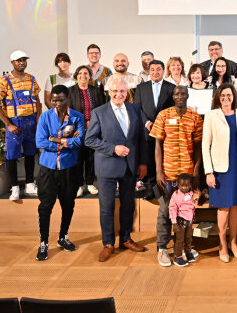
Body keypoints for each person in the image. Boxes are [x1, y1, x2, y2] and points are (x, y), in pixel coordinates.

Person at [85, 78, 148, 262]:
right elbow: (90, 140)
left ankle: (126, 239)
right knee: (107, 207)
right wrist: (113, 149)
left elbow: (140, 139)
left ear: (127, 92)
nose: (118, 94)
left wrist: (142, 162)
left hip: (130, 166)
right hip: (107, 167)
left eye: (122, 91)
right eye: (115, 91)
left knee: (128, 205)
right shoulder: (99, 112)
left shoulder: (134, 109)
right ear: (108, 92)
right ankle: (108, 243)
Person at [151, 84, 203, 267]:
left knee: (186, 212)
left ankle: (182, 249)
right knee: (166, 211)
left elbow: (198, 147)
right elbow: (157, 145)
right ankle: (162, 248)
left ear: (188, 95)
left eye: (183, 93)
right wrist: (158, 171)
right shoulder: (163, 116)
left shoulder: (195, 118)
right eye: (177, 94)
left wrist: (196, 174)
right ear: (173, 96)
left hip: (187, 175)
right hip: (168, 174)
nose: (180, 96)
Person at [34, 85, 85, 261]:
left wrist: (54, 138)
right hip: (48, 169)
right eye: (54, 100)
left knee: (68, 204)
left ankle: (63, 237)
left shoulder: (77, 117)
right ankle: (44, 243)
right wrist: (65, 141)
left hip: (69, 168)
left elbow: (79, 141)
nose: (57, 103)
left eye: (60, 100)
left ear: (68, 98)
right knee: (45, 207)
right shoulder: (45, 117)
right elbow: (40, 142)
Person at [202, 83, 237, 263]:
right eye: (222, 95)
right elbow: (205, 145)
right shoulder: (211, 116)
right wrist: (208, 172)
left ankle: (234, 243)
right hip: (220, 169)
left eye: (229, 95)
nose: (226, 98)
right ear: (218, 97)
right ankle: (222, 244)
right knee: (223, 207)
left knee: (235, 206)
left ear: (234, 97)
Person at [0, 50, 42, 201]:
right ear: (12, 63)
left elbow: (38, 102)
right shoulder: (4, 80)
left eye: (24, 60)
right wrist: (8, 124)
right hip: (14, 123)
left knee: (30, 154)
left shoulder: (31, 79)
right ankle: (14, 187)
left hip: (31, 121)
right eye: (18, 60)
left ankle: (29, 185)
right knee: (12, 156)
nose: (22, 62)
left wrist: (38, 121)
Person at [134, 60, 175, 195]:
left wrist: (164, 124)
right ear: (148, 71)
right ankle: (152, 189)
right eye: (152, 69)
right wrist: (147, 123)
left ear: (163, 71)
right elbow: (137, 108)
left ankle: (166, 188)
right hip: (147, 129)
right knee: (149, 158)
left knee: (164, 158)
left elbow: (174, 109)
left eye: (158, 69)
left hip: (166, 130)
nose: (155, 72)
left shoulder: (171, 87)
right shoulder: (141, 87)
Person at [67, 65, 106, 196]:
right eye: (80, 73)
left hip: (93, 129)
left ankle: (89, 183)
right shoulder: (70, 91)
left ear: (90, 76)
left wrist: (93, 122)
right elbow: (68, 111)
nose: (83, 76)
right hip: (77, 130)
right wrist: (82, 123)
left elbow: (101, 108)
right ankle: (78, 185)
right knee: (78, 157)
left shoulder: (95, 91)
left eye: (86, 73)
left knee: (91, 157)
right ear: (76, 76)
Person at [168, 173, 197, 267]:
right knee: (180, 240)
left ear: (190, 185)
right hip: (180, 221)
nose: (184, 187)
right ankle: (178, 257)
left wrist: (193, 215)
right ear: (178, 185)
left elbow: (192, 206)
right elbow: (172, 209)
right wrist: (174, 223)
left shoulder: (191, 193)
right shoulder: (176, 195)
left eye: (187, 185)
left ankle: (188, 252)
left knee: (188, 237)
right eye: (182, 185)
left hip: (189, 221)